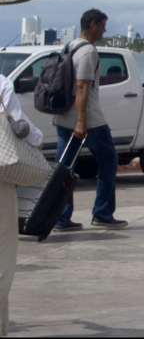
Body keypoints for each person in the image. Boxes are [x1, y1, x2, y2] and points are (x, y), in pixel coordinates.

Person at [53, 8, 128, 232]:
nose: (105, 30)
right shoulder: (88, 52)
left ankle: (60, 218)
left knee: (64, 168)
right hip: (88, 119)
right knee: (109, 159)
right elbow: (82, 87)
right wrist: (82, 121)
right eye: (103, 26)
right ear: (93, 25)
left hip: (63, 116)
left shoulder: (70, 46)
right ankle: (103, 213)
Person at [0, 70, 40, 333]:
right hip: (1, 176)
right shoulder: (1, 83)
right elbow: (19, 122)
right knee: (3, 250)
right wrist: (37, 140)